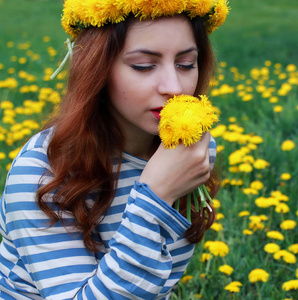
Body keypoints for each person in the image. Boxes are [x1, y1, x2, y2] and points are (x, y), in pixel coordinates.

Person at [0, 0, 229, 299]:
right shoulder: (42, 174)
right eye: (144, 66)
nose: (174, 86)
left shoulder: (191, 151)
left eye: (186, 64)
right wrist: (155, 198)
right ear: (97, 70)